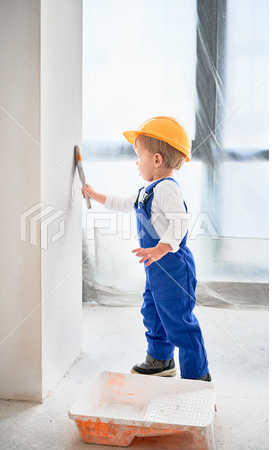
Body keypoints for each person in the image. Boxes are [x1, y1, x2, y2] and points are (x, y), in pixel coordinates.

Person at [81, 116, 211, 381]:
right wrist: (96, 195)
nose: (136, 162)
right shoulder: (146, 190)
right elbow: (122, 202)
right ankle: (160, 360)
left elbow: (180, 223)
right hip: (156, 269)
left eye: (138, 155)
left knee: (179, 322)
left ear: (156, 160)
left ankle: (198, 377)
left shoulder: (166, 189)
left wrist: (161, 248)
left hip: (173, 267)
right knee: (153, 313)